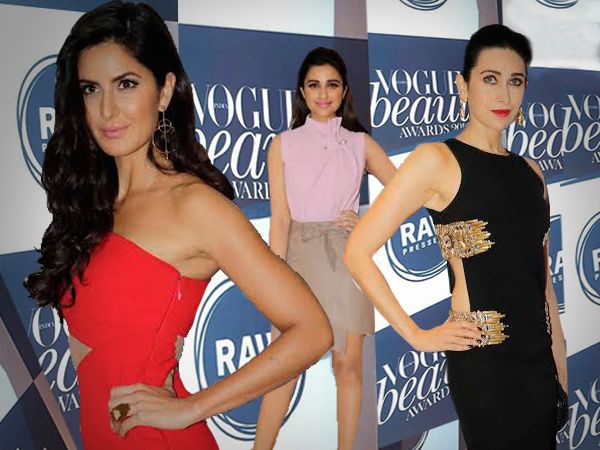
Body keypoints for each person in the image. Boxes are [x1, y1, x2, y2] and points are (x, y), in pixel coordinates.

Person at [24, 2, 333, 449]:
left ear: (165, 91)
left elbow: (313, 330)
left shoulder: (195, 206)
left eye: (126, 84)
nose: (107, 110)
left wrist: (192, 408)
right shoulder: (94, 203)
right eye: (91, 89)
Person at [344, 25, 567, 449]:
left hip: (540, 364)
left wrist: (560, 374)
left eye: (515, 81)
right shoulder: (436, 160)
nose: (504, 95)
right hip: (485, 368)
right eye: (490, 79)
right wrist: (417, 335)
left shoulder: (532, 173)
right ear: (463, 86)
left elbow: (544, 289)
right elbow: (357, 251)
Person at [253, 47, 395, 450]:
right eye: (314, 85)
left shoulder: (360, 143)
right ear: (302, 91)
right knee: (284, 367)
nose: (323, 93)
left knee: (348, 366)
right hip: (297, 259)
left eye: (331, 85)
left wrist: (367, 224)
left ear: (344, 90)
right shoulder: (282, 144)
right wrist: (274, 280)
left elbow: (403, 190)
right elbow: (280, 219)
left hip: (346, 259)